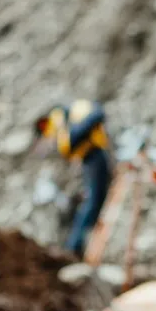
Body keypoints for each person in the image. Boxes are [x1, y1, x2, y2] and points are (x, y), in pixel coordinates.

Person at [33, 99, 112, 257]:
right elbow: (70, 141)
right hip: (92, 156)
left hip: (91, 155)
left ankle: (76, 245)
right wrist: (95, 116)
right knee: (93, 201)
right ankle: (74, 246)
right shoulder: (60, 126)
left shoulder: (60, 119)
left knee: (93, 201)